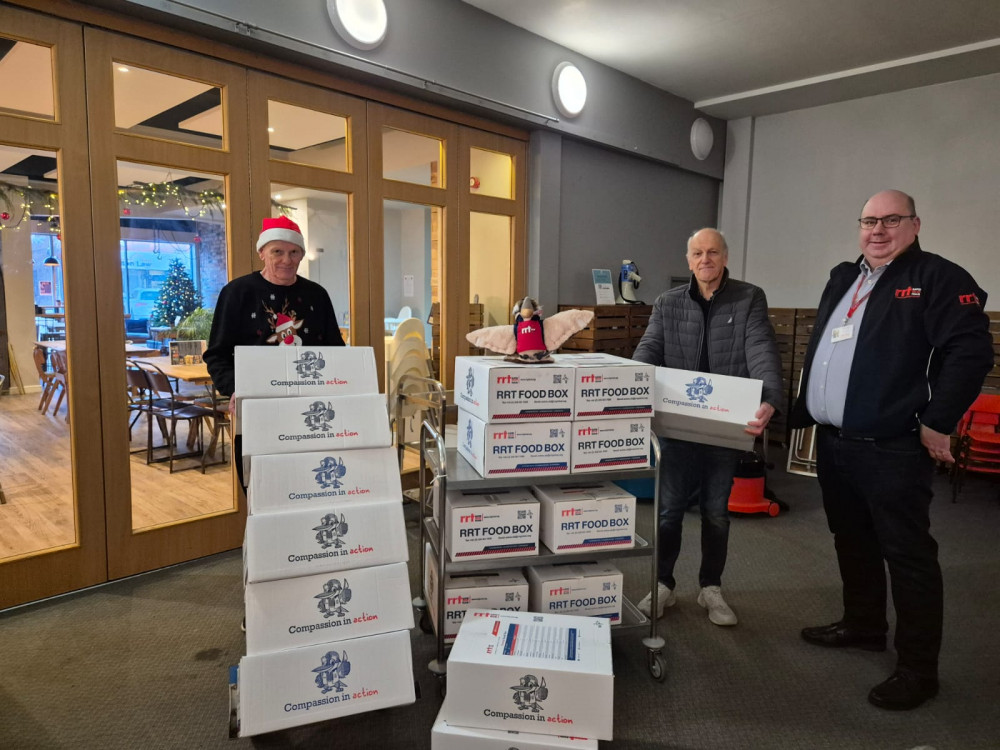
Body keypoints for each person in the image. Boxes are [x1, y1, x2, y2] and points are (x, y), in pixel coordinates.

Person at [790, 189, 993, 710]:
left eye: (891, 220)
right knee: (850, 540)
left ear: (915, 224)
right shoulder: (846, 276)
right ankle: (863, 625)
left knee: (908, 557)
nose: (877, 230)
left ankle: (919, 669)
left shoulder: (938, 278)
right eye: (869, 221)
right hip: (835, 443)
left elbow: (970, 353)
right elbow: (826, 350)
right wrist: (802, 408)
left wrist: (937, 421)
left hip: (892, 448)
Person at [633, 228, 783, 626]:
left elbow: (760, 347)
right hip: (677, 422)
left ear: (725, 257)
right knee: (668, 512)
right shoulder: (668, 303)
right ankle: (662, 584)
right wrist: (633, 379)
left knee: (717, 512)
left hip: (724, 423)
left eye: (712, 252)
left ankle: (709, 588)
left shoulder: (748, 297)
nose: (705, 260)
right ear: (688, 260)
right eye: (697, 253)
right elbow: (650, 347)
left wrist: (769, 395)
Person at [204, 215, 346, 487]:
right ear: (261, 253)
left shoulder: (317, 295)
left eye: (294, 252)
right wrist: (234, 389)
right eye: (277, 252)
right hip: (259, 411)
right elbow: (217, 354)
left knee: (310, 488)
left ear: (302, 255)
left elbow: (335, 351)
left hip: (312, 413)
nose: (287, 259)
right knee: (262, 490)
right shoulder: (237, 292)